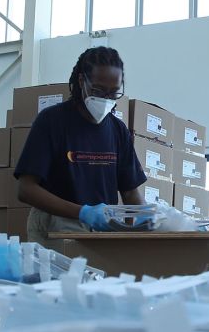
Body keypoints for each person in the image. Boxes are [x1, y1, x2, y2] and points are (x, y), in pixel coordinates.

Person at [13, 47, 147, 249]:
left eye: (113, 93)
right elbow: (26, 189)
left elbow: (130, 193)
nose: (106, 99)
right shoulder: (52, 121)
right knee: (66, 280)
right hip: (57, 224)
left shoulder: (117, 130)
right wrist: (83, 212)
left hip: (103, 228)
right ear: (82, 81)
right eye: (98, 91)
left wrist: (147, 220)